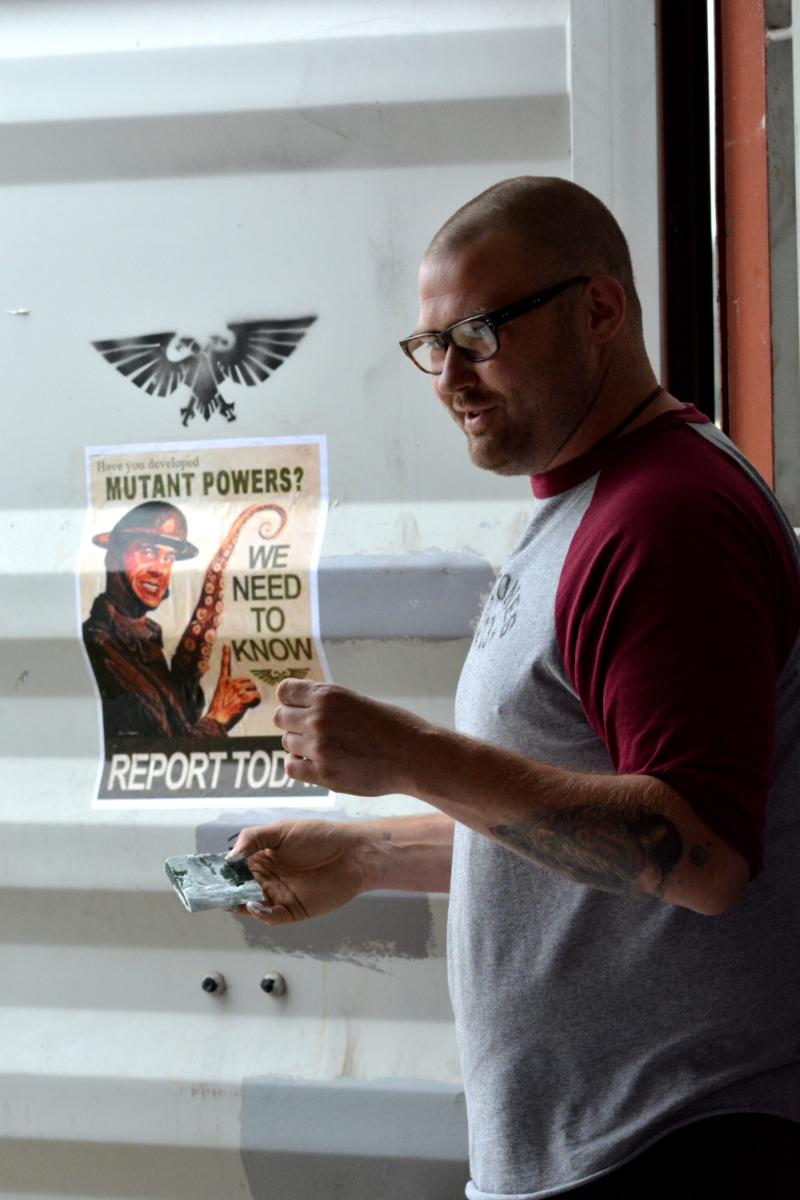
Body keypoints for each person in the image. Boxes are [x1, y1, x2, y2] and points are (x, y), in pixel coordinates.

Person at [227, 178, 800, 1198]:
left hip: (674, 1142)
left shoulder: (665, 519)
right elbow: (572, 832)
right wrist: (366, 854)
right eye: (431, 344)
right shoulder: (586, 508)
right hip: (600, 1152)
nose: (449, 375)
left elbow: (699, 855)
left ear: (599, 308)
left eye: (479, 334)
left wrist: (409, 755)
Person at [84, 500, 259, 738]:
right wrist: (217, 719)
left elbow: (177, 720)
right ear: (114, 557)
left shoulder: (146, 644)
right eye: (148, 552)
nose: (159, 570)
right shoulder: (99, 648)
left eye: (169, 558)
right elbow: (164, 749)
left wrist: (186, 674)